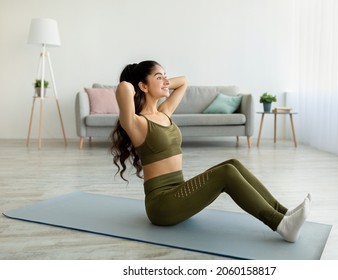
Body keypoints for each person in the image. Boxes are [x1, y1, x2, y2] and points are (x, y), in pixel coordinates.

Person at [110, 60, 311, 242]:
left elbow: (184, 82)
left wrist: (161, 82)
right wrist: (134, 83)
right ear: (143, 86)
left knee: (233, 163)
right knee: (226, 174)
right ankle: (282, 226)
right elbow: (123, 88)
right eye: (159, 77)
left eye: (165, 75)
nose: (165, 80)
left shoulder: (164, 112)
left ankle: (284, 214)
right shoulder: (137, 123)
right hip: (161, 205)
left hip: (179, 191)